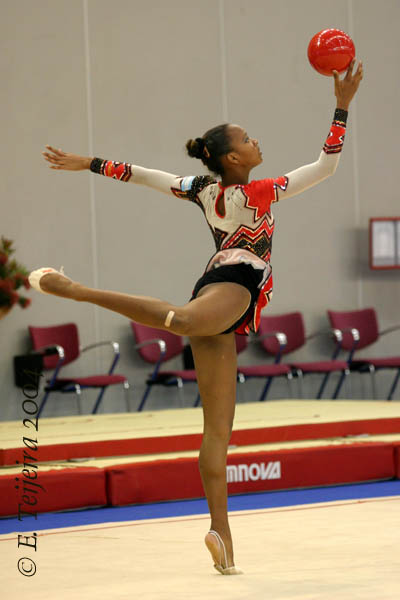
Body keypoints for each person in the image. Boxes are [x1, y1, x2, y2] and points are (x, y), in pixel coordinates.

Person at [30, 60, 363, 575]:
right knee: (182, 322)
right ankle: (76, 290)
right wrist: (341, 107)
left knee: (218, 429)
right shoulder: (259, 191)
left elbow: (144, 175)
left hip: (218, 285)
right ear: (233, 157)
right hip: (236, 284)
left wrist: (88, 162)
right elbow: (326, 167)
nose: (256, 141)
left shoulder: (202, 189)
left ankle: (221, 535)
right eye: (247, 138)